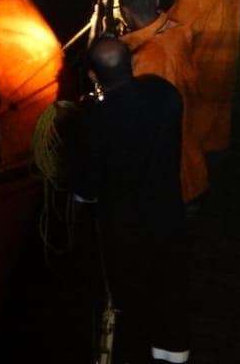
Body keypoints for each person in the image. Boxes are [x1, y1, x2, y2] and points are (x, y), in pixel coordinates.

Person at [72, 37, 190, 364]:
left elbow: (88, 188)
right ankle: (174, 352)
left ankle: (136, 351)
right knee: (170, 283)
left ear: (94, 76)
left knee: (131, 293)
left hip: (124, 225)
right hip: (168, 213)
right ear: (133, 64)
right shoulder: (165, 93)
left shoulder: (95, 118)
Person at [119, 0, 207, 204]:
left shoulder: (143, 58)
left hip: (169, 170)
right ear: (156, 1)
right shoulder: (178, 31)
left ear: (125, 12)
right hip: (192, 145)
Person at [166, 0, 240, 154]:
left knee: (191, 140)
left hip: (198, 76)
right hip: (225, 69)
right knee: (216, 127)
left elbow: (172, 38)